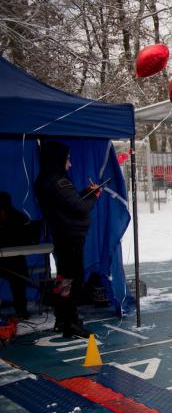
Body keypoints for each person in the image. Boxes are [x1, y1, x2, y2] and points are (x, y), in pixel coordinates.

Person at [35, 141, 101, 338]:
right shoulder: (57, 181)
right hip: (70, 236)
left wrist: (85, 193)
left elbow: (69, 202)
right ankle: (70, 321)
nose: (69, 164)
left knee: (64, 279)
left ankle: (62, 318)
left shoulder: (45, 180)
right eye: (67, 160)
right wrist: (93, 196)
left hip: (62, 234)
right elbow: (79, 208)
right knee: (73, 279)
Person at [0, 192, 37, 319]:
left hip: (15, 259)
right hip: (5, 260)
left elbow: (29, 237)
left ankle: (21, 309)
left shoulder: (18, 217)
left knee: (18, 279)